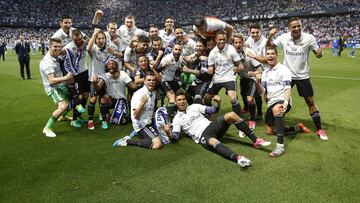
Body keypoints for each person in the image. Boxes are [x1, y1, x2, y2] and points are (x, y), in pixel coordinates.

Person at [170, 90, 271, 167]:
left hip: (212, 126)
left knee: (231, 115)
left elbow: (213, 110)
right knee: (213, 142)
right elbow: (175, 136)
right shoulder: (177, 119)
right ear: (176, 102)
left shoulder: (194, 107)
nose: (182, 101)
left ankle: (256, 140)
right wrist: (168, 133)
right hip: (203, 135)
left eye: (183, 99)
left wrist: (217, 103)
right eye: (179, 100)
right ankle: (238, 158)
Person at [267, 17, 328, 141]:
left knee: (310, 101)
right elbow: (270, 47)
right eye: (293, 27)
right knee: (278, 98)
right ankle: (274, 122)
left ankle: (319, 129)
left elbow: (317, 51)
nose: (296, 28)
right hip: (286, 75)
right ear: (289, 28)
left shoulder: (309, 38)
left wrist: (319, 53)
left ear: (301, 26)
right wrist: (270, 36)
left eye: (298, 26)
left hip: (302, 76)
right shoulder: (283, 38)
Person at [256, 46, 311, 157]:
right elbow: (262, 92)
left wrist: (285, 103)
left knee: (277, 110)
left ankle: (280, 147)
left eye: (272, 53)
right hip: (271, 103)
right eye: (268, 54)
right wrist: (257, 81)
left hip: (282, 99)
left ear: (276, 55)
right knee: (270, 131)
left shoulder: (284, 69)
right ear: (265, 56)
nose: (270, 55)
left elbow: (287, 88)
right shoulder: (265, 72)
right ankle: (297, 128)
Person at [113, 72, 175, 149]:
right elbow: (135, 115)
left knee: (166, 135)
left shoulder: (153, 93)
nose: (151, 82)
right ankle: (127, 141)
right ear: (144, 81)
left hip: (149, 121)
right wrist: (142, 103)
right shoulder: (139, 94)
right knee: (157, 144)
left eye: (153, 80)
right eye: (149, 80)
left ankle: (140, 134)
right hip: (141, 124)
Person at [204, 31, 243, 118]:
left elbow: (240, 65)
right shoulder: (212, 52)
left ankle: (239, 120)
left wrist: (237, 69)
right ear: (215, 40)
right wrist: (210, 70)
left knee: (233, 99)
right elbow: (211, 67)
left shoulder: (231, 49)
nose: (222, 41)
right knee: (207, 98)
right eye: (220, 39)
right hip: (217, 78)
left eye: (223, 39)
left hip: (229, 78)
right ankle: (208, 116)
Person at [39, 38, 73, 137]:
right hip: (53, 87)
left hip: (61, 85)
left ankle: (62, 116)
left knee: (71, 102)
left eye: (59, 46)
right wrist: (66, 77)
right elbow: (51, 80)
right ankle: (47, 128)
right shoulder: (48, 63)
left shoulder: (56, 56)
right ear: (49, 47)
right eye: (55, 46)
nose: (58, 49)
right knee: (63, 106)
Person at [92, 58, 137, 129]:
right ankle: (104, 122)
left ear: (117, 66)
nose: (111, 65)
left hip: (121, 100)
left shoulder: (123, 74)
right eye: (109, 64)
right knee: (103, 99)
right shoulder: (104, 75)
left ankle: (112, 114)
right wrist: (94, 83)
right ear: (106, 67)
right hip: (110, 100)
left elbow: (133, 86)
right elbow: (98, 88)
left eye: (113, 64)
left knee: (122, 122)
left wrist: (141, 82)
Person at [232, 33, 262, 130]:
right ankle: (246, 109)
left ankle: (253, 119)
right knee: (243, 94)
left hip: (251, 79)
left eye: (240, 42)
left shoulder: (249, 52)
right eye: (235, 42)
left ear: (243, 43)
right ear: (233, 44)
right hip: (243, 79)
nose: (238, 44)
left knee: (250, 99)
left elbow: (260, 69)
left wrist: (253, 74)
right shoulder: (232, 53)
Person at [87, 28, 114, 130]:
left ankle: (103, 121)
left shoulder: (108, 50)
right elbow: (88, 49)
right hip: (93, 78)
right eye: (99, 38)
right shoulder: (93, 48)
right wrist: (94, 34)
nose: (101, 40)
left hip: (104, 78)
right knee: (93, 100)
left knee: (103, 100)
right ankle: (90, 121)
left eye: (103, 38)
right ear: (96, 39)